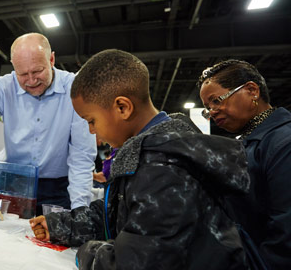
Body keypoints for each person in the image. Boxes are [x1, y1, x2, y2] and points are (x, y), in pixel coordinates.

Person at [30, 49, 250, 269]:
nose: (91, 131)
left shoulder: (163, 167)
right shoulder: (150, 153)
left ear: (122, 107)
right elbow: (117, 212)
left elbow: (137, 262)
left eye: (92, 120)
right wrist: (62, 226)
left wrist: (87, 252)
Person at [0, 33, 96, 215]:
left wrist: (80, 211)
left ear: (51, 59)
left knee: (57, 242)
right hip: (11, 184)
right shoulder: (3, 87)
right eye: (23, 74)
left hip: (57, 189)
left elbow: (81, 157)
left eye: (37, 71)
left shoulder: (75, 89)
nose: (31, 81)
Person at [198, 59, 291, 269]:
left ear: (251, 90)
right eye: (207, 107)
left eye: (216, 100)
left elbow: (286, 230)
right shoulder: (247, 144)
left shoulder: (284, 142)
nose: (212, 112)